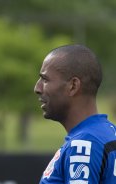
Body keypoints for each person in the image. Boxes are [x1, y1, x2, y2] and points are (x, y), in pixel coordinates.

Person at [34, 44, 116, 183]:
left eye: (45, 79)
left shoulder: (83, 144)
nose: (37, 88)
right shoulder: (107, 132)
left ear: (73, 86)